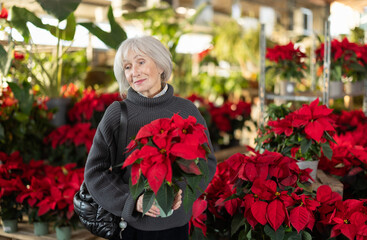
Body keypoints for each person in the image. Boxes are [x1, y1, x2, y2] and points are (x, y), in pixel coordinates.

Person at [84, 35, 217, 240]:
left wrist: (179, 194)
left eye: (141, 62)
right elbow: (95, 172)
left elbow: (206, 162)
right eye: (127, 67)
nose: (134, 72)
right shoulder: (117, 113)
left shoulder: (186, 110)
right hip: (131, 228)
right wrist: (133, 202)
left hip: (176, 226)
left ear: (161, 65)